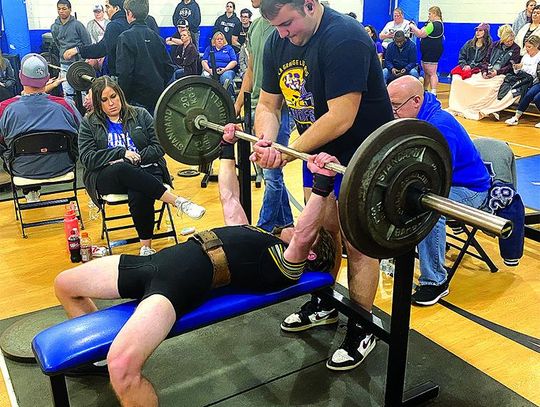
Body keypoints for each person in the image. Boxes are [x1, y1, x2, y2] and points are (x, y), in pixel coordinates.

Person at [54, 124, 338, 405]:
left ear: (310, 255)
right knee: (65, 285)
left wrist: (321, 184)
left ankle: (116, 373)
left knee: (123, 367)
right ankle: (97, 359)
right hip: (152, 263)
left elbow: (304, 234)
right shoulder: (258, 234)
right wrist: (226, 146)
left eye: (303, 235)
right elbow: (228, 197)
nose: (293, 225)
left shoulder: (285, 267)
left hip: (174, 287)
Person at [250, 0, 394, 371]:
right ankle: (326, 303)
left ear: (310, 5)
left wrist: (290, 151)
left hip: (362, 159)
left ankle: (363, 324)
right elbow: (268, 104)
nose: (282, 33)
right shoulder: (277, 40)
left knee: (358, 245)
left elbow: (342, 117)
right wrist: (268, 140)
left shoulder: (344, 37)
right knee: (322, 238)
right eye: (277, 27)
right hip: (317, 155)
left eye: (288, 23)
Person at [387, 75, 491, 305]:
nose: (391, 111)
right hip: (445, 183)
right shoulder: (414, 118)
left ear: (416, 101)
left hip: (470, 189)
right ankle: (403, 253)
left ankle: (435, 281)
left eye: (395, 106)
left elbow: (438, 177)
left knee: (428, 209)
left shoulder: (439, 126)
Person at [78, 76, 205, 256]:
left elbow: (159, 146)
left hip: (146, 169)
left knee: (139, 190)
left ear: (120, 95)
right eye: (104, 100)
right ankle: (178, 202)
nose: (111, 103)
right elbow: (87, 158)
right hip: (109, 176)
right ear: (98, 104)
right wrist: (120, 154)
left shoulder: (140, 114)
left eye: (113, 96)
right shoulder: (89, 122)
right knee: (122, 169)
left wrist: (133, 159)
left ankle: (146, 247)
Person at [234, 0, 294, 234]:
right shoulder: (255, 27)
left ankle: (263, 228)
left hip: (277, 110)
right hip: (256, 108)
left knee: (271, 175)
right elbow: (250, 71)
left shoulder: (283, 26)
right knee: (268, 171)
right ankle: (287, 222)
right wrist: (237, 104)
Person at [0, 53, 81, 203]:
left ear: (20, 76)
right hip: (63, 166)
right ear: (47, 77)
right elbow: (83, 135)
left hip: (22, 169)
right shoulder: (67, 106)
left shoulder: (5, 109)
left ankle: (30, 192)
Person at [446, 25, 521, 120]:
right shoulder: (494, 45)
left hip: (501, 74)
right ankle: (466, 104)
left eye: (511, 40)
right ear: (502, 39)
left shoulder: (516, 48)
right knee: (470, 82)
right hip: (489, 71)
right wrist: (484, 71)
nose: (509, 42)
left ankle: (490, 108)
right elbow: (485, 60)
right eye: (507, 40)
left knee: (492, 86)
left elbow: (510, 66)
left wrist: (497, 72)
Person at [116, 0, 175, 114]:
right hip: (157, 98)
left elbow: (124, 73)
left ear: (129, 13)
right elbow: (169, 67)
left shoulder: (125, 38)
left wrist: (123, 98)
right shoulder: (157, 38)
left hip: (135, 100)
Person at [63, 0, 130, 78]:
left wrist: (77, 50)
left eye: (108, 7)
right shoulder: (130, 22)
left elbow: (102, 48)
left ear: (116, 8)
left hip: (119, 73)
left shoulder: (114, 25)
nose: (105, 10)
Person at [51, 0, 92, 100]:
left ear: (70, 9)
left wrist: (85, 58)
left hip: (79, 63)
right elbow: (57, 43)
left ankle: (84, 113)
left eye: (64, 9)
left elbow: (87, 42)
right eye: (59, 9)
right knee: (67, 92)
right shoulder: (54, 27)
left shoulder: (78, 25)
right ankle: (70, 113)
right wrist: (63, 53)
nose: (61, 11)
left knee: (82, 91)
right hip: (64, 64)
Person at [504, 35, 540, 126]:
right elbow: (520, 72)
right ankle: (516, 117)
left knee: (536, 98)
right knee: (528, 94)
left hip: (535, 80)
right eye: (526, 46)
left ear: (536, 46)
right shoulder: (525, 56)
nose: (527, 49)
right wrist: (516, 68)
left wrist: (523, 67)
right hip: (532, 81)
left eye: (529, 47)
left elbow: (535, 72)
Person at [409, 6, 444, 96]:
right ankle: (425, 90)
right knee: (427, 73)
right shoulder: (436, 24)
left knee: (432, 73)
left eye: (429, 14)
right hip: (428, 52)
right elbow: (420, 32)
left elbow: (421, 34)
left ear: (435, 14)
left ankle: (433, 91)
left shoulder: (433, 24)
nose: (428, 16)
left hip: (432, 52)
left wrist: (412, 26)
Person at [201, 31, 237, 98]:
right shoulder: (209, 49)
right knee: (205, 77)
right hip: (211, 70)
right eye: (218, 39)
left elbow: (234, 61)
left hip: (226, 70)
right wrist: (209, 70)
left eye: (221, 39)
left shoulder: (229, 48)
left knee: (226, 78)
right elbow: (204, 61)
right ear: (214, 41)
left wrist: (225, 69)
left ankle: (229, 98)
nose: (220, 41)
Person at [86, 4, 110, 72]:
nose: (97, 13)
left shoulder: (109, 23)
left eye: (99, 11)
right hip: (96, 49)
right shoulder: (90, 24)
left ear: (103, 12)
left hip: (106, 50)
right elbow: (90, 37)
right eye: (95, 12)